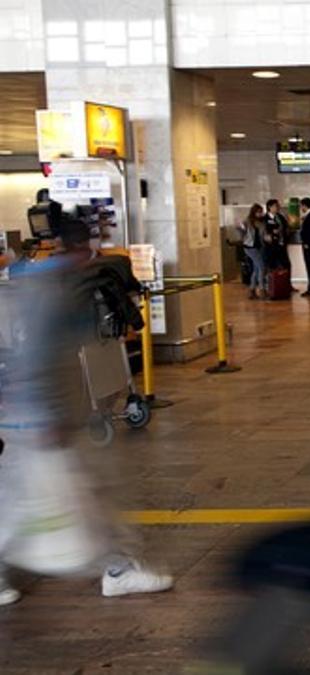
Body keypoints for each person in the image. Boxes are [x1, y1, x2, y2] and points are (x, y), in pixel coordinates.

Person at [0, 204, 173, 606]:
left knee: (42, 496)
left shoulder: (50, 281)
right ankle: (117, 570)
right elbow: (37, 354)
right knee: (68, 497)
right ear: (79, 246)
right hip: (38, 415)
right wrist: (44, 416)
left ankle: (118, 568)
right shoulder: (53, 289)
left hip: (44, 412)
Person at [238, 204, 267, 300]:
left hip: (259, 246)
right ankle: (262, 289)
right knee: (261, 266)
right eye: (258, 212)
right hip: (250, 247)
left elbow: (263, 234)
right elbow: (240, 230)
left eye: (261, 212)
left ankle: (252, 289)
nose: (260, 214)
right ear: (253, 212)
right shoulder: (247, 222)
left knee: (256, 268)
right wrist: (243, 239)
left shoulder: (262, 222)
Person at [262, 199, 292, 277]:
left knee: (286, 265)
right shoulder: (264, 219)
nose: (278, 208)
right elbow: (263, 232)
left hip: (282, 245)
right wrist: (272, 233)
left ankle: (287, 284)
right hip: (271, 246)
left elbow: (286, 227)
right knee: (272, 266)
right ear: (269, 207)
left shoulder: (280, 217)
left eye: (278, 206)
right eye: (276, 206)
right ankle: (273, 286)